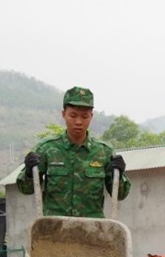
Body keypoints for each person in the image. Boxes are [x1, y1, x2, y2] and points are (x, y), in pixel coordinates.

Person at [17, 86, 129, 217]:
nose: (78, 122)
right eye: (73, 115)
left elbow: (120, 195)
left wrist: (120, 174)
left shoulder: (104, 152)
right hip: (55, 230)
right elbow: (26, 189)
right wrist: (29, 172)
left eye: (84, 116)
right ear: (64, 114)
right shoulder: (47, 149)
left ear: (91, 116)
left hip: (91, 231)